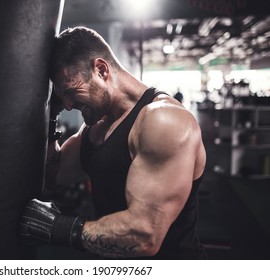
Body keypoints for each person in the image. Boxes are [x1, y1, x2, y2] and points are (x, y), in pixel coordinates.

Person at [19, 26, 207, 259]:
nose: (68, 105)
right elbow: (54, 174)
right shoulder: (96, 127)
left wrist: (59, 228)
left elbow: (145, 235)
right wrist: (51, 115)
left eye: (70, 91)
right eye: (61, 97)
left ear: (101, 69)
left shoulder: (163, 121)